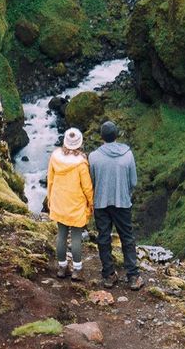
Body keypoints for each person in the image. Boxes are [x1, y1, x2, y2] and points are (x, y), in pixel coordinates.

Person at [89, 119, 141, 288]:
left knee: (103, 237)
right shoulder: (128, 154)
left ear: (101, 136)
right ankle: (133, 276)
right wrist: (125, 193)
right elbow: (133, 181)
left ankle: (109, 274)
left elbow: (92, 181)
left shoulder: (94, 156)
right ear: (116, 135)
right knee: (127, 237)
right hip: (122, 202)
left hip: (101, 203)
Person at [46, 126, 94, 279]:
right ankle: (77, 270)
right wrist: (91, 203)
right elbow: (87, 186)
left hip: (59, 201)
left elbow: (50, 180)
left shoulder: (55, 156)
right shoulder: (81, 163)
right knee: (76, 236)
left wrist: (50, 198)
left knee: (61, 234)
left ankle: (61, 267)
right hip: (76, 204)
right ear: (79, 143)